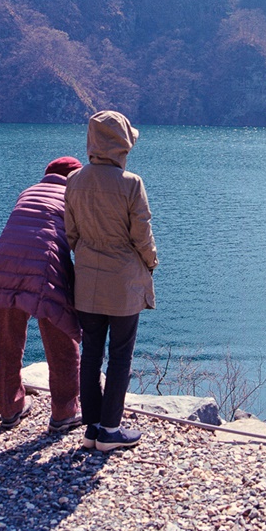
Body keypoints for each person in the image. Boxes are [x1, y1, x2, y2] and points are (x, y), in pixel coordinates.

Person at [0, 157, 84, 431]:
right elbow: (81, 239)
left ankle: (9, 409)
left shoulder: (28, 190)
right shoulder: (75, 194)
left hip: (3, 263)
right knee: (62, 339)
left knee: (5, 340)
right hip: (45, 265)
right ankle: (64, 412)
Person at [64, 110, 157, 452]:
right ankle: (111, 429)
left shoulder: (74, 180)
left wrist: (88, 254)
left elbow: (70, 233)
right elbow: (142, 236)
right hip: (124, 283)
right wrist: (151, 263)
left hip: (86, 279)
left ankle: (91, 427)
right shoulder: (131, 183)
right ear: (122, 144)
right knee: (120, 355)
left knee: (90, 352)